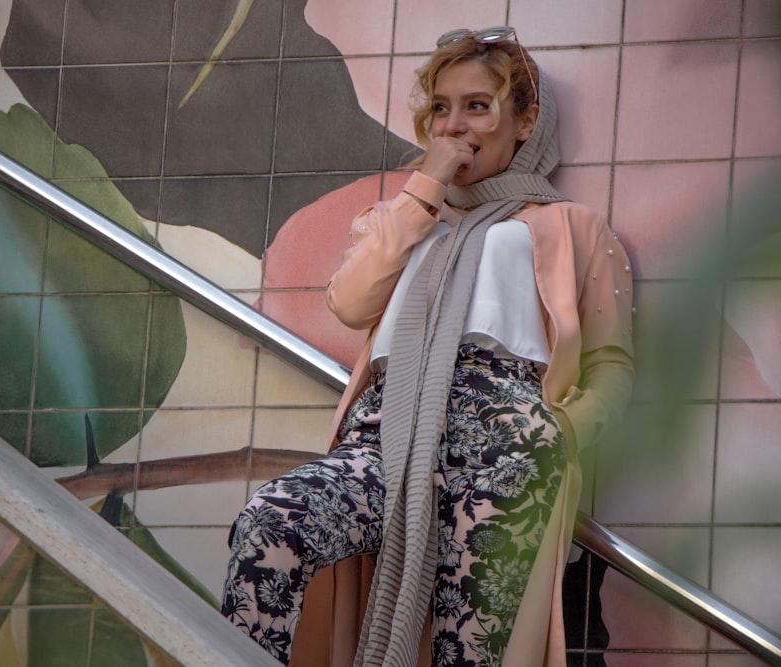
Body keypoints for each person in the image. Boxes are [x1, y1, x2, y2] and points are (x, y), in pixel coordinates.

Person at [222, 26, 634, 667]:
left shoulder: (570, 225)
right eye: (441, 108)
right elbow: (351, 303)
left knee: (468, 652)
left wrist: (561, 433)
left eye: (477, 105)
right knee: (273, 521)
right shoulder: (402, 217)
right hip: (387, 435)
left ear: (525, 121)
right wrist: (426, 188)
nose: (454, 125)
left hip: (505, 449)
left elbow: (612, 364)